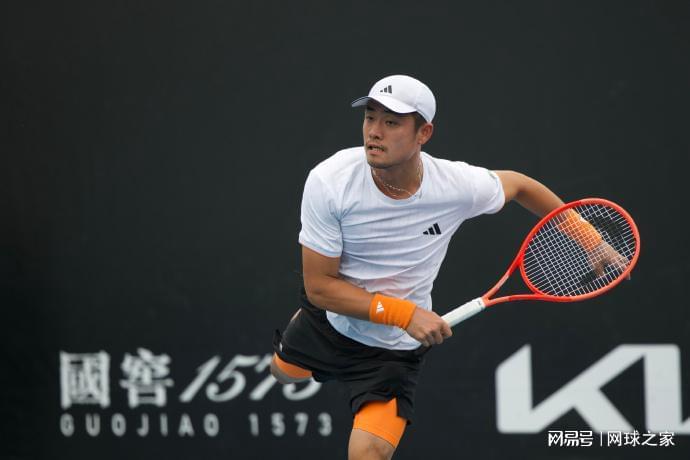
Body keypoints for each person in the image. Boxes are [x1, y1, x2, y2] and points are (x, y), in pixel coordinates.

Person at [269, 75, 619, 460]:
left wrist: (592, 241)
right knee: (283, 373)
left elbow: (520, 186)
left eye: (391, 122)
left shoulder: (455, 185)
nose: (374, 132)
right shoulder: (330, 182)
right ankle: (297, 348)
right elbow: (320, 287)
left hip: (391, 355)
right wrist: (405, 314)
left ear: (424, 133)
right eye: (370, 118)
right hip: (329, 320)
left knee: (369, 455)